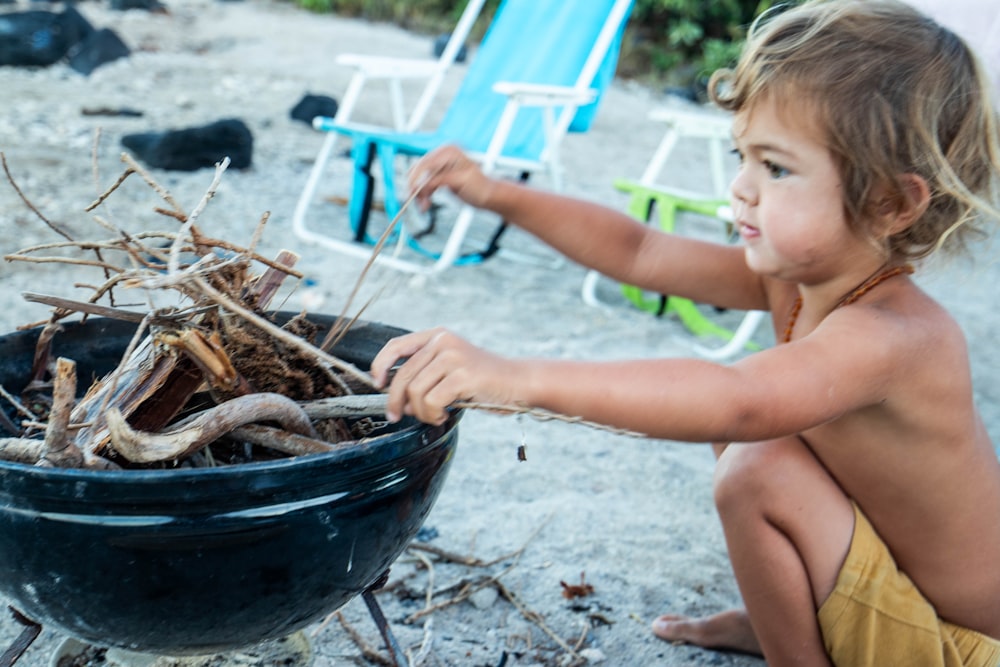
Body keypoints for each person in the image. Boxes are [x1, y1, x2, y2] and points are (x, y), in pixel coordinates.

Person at [369, 0, 1000, 664]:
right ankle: (781, 618)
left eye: (776, 167)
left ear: (891, 203)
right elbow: (640, 252)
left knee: (755, 457)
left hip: (954, 644)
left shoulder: (895, 335)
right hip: (891, 590)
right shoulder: (796, 279)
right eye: (743, 156)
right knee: (752, 440)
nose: (741, 189)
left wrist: (517, 377)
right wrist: (496, 192)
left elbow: (737, 397)